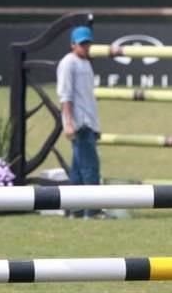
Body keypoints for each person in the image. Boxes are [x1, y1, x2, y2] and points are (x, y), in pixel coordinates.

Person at [56, 25, 104, 219]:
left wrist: (96, 125)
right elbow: (65, 96)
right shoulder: (69, 63)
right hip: (79, 123)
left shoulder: (85, 63)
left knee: (77, 169)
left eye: (87, 43)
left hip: (88, 123)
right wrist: (68, 123)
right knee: (90, 168)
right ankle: (92, 210)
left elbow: (87, 98)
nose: (85, 47)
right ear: (73, 44)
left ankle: (73, 210)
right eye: (82, 44)